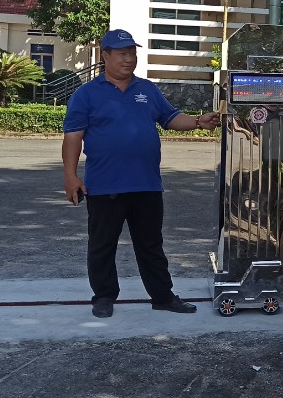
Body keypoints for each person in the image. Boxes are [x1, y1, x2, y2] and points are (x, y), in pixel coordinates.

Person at [62, 29, 220, 318]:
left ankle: (162, 296)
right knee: (102, 245)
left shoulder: (147, 89)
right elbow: (73, 137)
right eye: (122, 53)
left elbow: (171, 118)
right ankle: (104, 297)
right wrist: (70, 176)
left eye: (132, 53)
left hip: (146, 184)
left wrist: (198, 121)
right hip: (105, 185)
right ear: (105, 56)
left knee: (151, 245)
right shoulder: (86, 95)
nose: (129, 59)